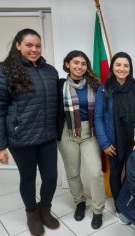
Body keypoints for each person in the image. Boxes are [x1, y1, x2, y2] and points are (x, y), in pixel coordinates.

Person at [0, 28, 59, 236]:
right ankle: (32, 215)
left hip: (47, 137)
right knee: (28, 179)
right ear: (18, 45)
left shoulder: (50, 71)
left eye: (38, 45)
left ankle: (45, 209)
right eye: (29, 45)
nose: (34, 49)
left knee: (51, 177)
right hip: (21, 138)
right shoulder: (4, 71)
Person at [57, 50, 105, 229]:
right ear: (67, 64)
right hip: (66, 133)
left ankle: (98, 210)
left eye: (83, 63)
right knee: (72, 172)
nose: (79, 66)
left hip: (89, 134)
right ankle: (79, 202)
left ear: (87, 67)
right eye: (75, 62)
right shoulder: (59, 85)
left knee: (95, 173)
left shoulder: (95, 84)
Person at [94, 52, 135, 222]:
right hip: (114, 141)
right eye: (118, 65)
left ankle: (127, 201)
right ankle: (119, 205)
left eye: (126, 65)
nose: (122, 69)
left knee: (131, 174)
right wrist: (104, 142)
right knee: (115, 173)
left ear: (130, 68)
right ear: (112, 67)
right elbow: (98, 118)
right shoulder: (103, 89)